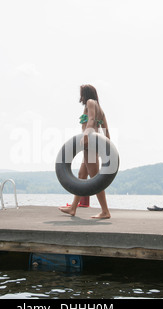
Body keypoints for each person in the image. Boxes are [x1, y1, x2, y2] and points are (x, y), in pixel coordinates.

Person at [59, 84, 111, 219]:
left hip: (90, 144)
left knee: (95, 179)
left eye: (81, 93)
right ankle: (73, 208)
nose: (80, 96)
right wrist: (105, 146)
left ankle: (105, 211)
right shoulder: (99, 107)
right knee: (82, 175)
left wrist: (87, 134)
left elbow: (92, 119)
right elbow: (106, 129)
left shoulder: (90, 103)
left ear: (86, 93)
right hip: (93, 144)